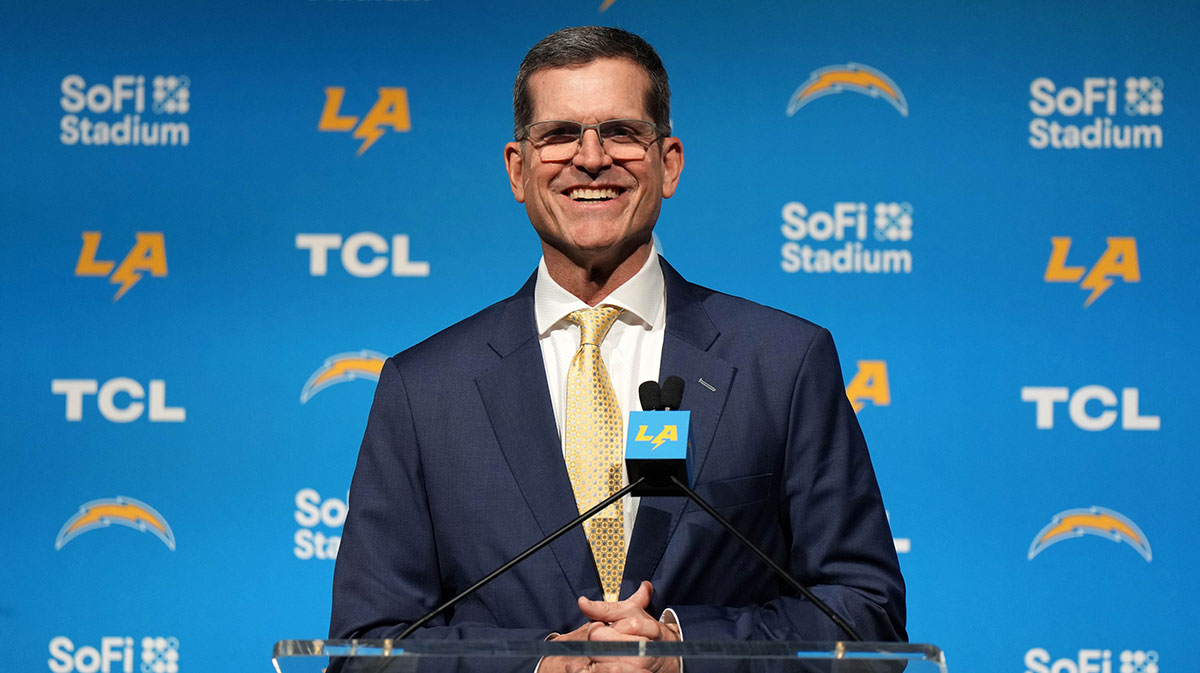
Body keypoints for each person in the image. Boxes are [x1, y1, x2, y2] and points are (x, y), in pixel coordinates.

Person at [329, 26, 905, 657]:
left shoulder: (783, 361)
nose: (592, 157)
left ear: (669, 163)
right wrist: (540, 662)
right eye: (559, 135)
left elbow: (865, 611)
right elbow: (368, 645)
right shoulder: (424, 389)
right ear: (518, 170)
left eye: (622, 132)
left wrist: (685, 647)